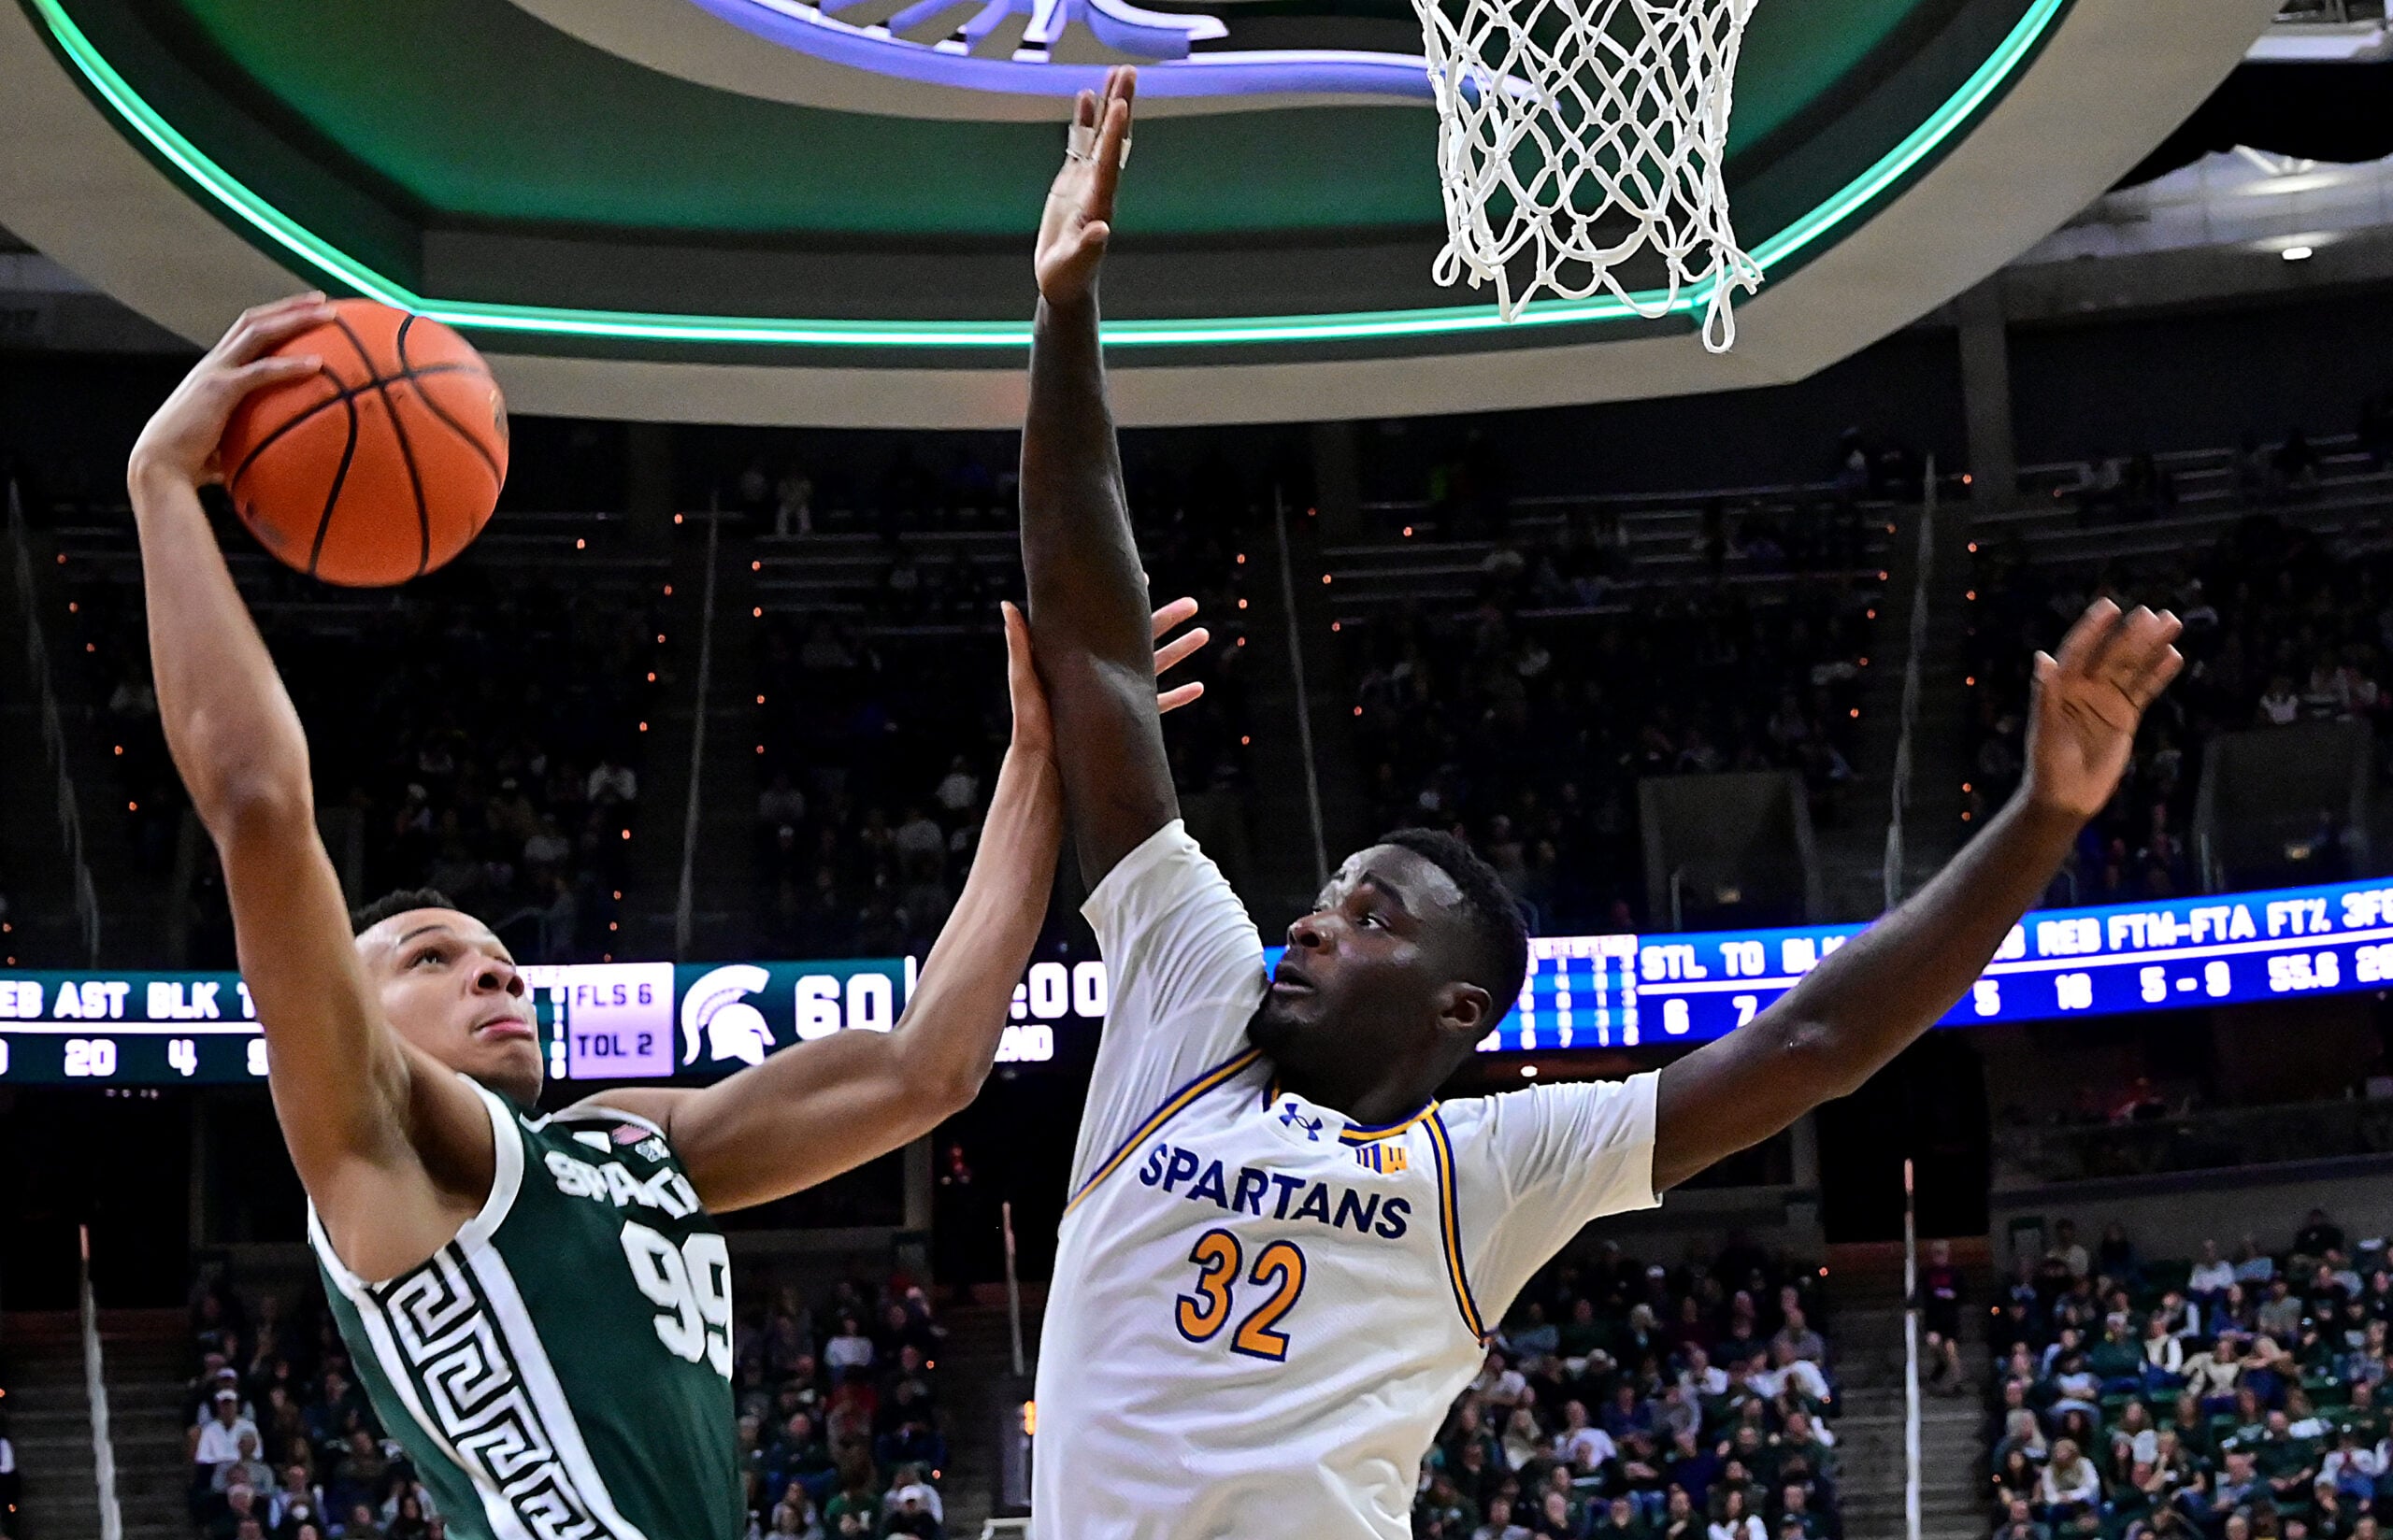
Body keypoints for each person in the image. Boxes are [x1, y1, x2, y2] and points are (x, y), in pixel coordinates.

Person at [1017, 65, 2185, 1540]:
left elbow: (1817, 1040)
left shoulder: (1488, 1169)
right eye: (1326, 898)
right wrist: (1064, 315)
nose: (1309, 924)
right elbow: (1099, 663)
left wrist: (2040, 819)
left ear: (1458, 1013)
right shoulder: (1189, 1006)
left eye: (1370, 917)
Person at [125, 297, 1207, 1540]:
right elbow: (260, 805)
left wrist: (1038, 771)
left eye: (500, 958)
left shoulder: (623, 1143)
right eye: (434, 958)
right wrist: (162, 483)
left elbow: (927, 1067)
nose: (496, 977)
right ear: (343, 1007)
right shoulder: (379, 1152)